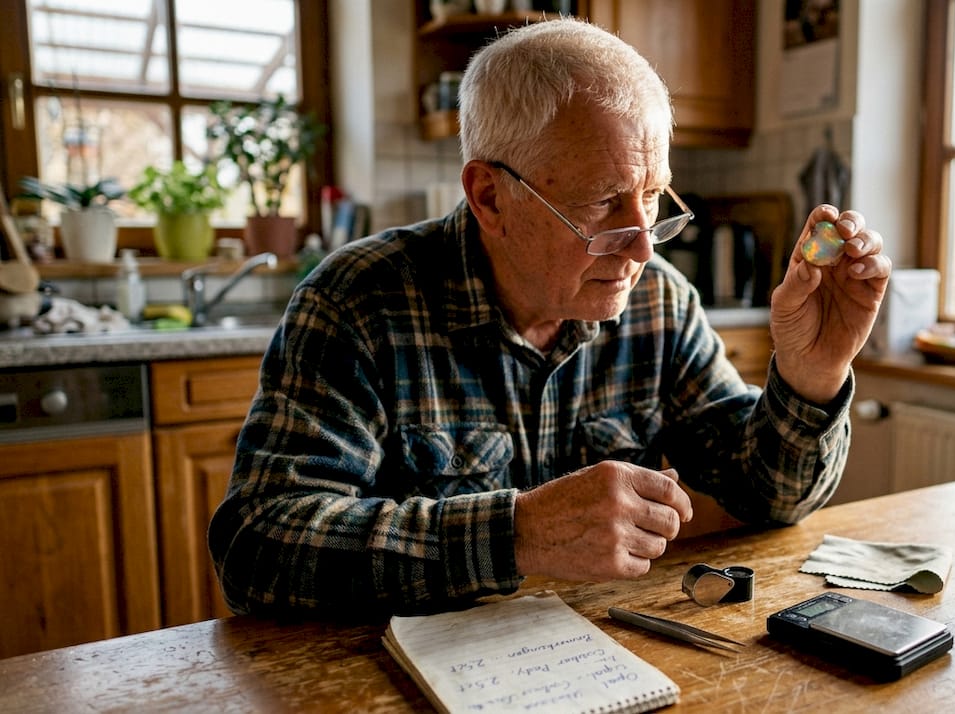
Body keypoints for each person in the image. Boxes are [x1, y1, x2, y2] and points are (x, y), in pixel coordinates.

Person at [208, 17, 891, 617]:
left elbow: (766, 493)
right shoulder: (356, 302)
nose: (644, 245)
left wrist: (811, 375)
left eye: (653, 197)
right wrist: (517, 533)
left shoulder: (660, 301)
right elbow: (258, 545)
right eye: (603, 204)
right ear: (489, 196)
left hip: (605, 655)